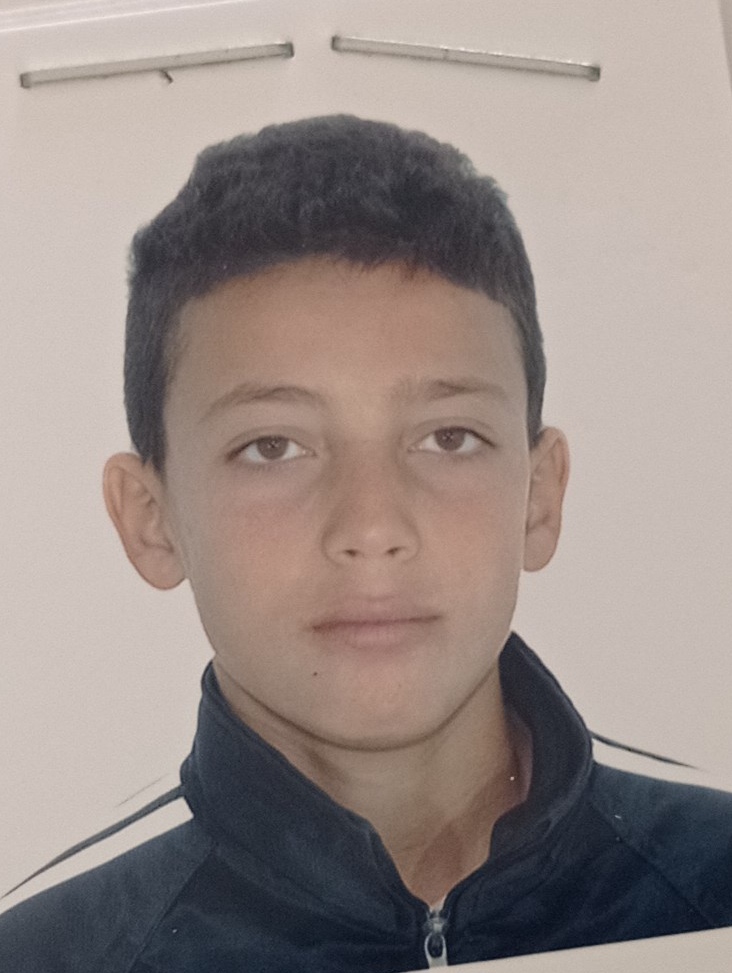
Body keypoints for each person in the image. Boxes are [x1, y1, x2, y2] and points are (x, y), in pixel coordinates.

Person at [0, 114, 730, 973]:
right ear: (150, 517)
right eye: (272, 447)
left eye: (449, 437)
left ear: (540, 495)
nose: (373, 527)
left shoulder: (713, 880)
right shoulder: (47, 954)